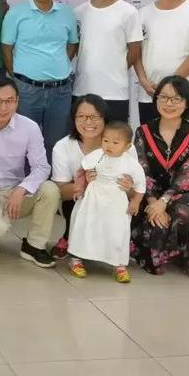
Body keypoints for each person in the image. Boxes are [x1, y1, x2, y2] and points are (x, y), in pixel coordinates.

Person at [0, 77, 59, 268]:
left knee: (50, 189)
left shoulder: (29, 127)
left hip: (16, 191)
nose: (3, 107)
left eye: (9, 101)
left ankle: (34, 246)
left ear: (17, 101)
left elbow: (42, 166)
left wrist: (22, 189)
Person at [1, 0, 78, 159]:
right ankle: (28, 180)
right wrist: (17, 76)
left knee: (57, 144)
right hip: (27, 90)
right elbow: (6, 48)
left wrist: (57, 64)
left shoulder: (67, 13)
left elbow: (72, 45)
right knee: (25, 143)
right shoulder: (16, 13)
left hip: (61, 91)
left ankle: (54, 179)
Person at [132, 75, 189, 281]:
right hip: (150, 195)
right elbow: (142, 170)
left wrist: (163, 202)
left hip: (184, 193)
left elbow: (188, 173)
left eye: (176, 99)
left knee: (188, 211)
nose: (169, 103)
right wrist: (153, 201)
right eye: (164, 97)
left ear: (187, 102)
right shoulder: (143, 131)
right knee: (152, 228)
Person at [50, 95, 137, 260]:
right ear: (73, 119)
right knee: (77, 199)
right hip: (80, 199)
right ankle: (71, 238)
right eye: (81, 116)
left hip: (114, 200)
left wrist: (128, 187)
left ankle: (116, 245)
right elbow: (60, 192)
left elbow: (135, 190)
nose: (88, 122)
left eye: (94, 117)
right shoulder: (63, 147)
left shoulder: (125, 147)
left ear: (105, 118)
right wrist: (83, 184)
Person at [67, 121, 146, 283]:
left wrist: (135, 202)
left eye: (115, 143)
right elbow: (82, 170)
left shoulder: (130, 163)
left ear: (127, 146)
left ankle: (119, 265)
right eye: (106, 140)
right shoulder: (97, 155)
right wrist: (80, 188)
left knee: (117, 230)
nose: (109, 145)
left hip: (116, 202)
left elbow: (141, 185)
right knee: (85, 226)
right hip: (93, 199)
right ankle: (76, 259)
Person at [73, 0, 142, 123]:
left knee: (114, 137)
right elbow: (75, 48)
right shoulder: (78, 12)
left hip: (115, 93)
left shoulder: (129, 12)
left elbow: (135, 50)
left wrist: (116, 66)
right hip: (82, 91)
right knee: (84, 136)